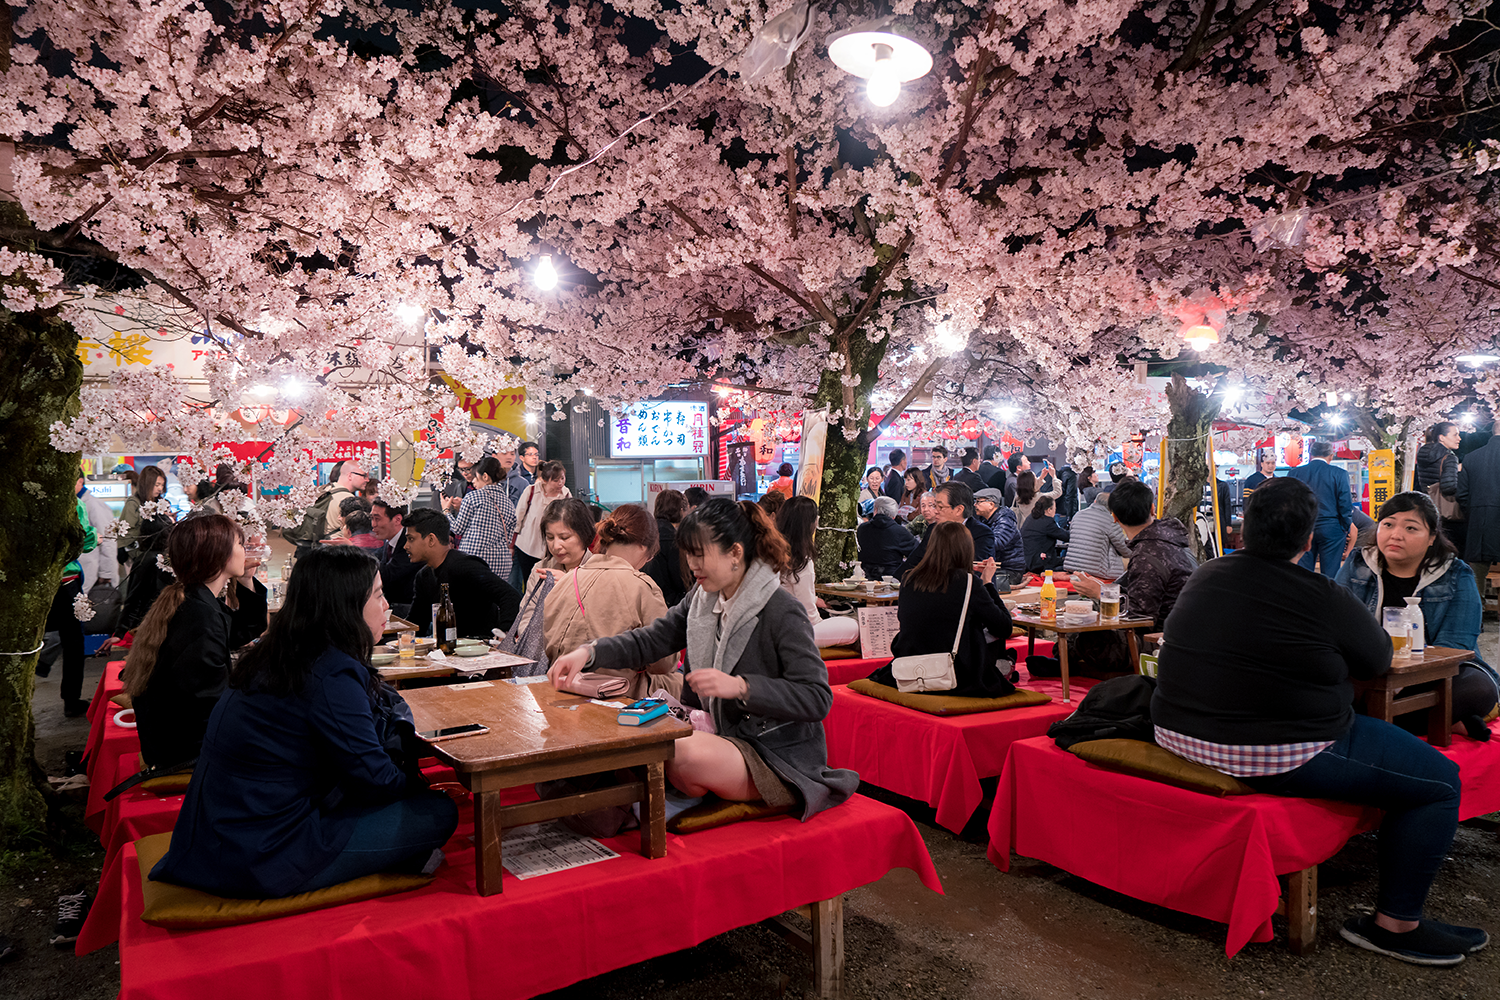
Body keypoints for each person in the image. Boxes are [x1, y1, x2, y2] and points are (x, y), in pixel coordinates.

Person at [1152, 477, 1485, 966]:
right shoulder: (1322, 592)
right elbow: (1375, 661)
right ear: (1311, 540)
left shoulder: (1208, 573)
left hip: (1175, 733)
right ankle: (1396, 925)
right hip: (1280, 750)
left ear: (1243, 530)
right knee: (1439, 779)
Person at [150, 546, 458, 898]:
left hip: (217, 834)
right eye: (377, 595)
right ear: (344, 606)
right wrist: (415, 783)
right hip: (263, 853)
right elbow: (376, 781)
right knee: (439, 811)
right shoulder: (331, 672)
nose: (387, 606)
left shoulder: (280, 650)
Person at [548, 499, 857, 818]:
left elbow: (817, 698)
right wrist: (589, 653)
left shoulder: (781, 610)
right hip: (715, 733)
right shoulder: (702, 599)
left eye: (700, 554)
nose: (692, 564)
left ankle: (670, 802)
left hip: (773, 754)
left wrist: (742, 687)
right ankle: (669, 799)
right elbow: (653, 639)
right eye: (689, 553)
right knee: (635, 733)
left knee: (680, 751)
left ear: (735, 553)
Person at [1336, 491, 1499, 735]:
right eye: (1388, 524)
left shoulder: (1456, 574)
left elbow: (1456, 646)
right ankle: (1439, 720)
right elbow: (1336, 626)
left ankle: (1373, 722)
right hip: (1367, 669)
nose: (1396, 535)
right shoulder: (1358, 564)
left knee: (1479, 689)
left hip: (1436, 675)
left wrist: (1401, 679)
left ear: (1432, 537)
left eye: (1411, 528)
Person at [121, 514, 268, 767]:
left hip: (176, 740)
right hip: (187, 750)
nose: (246, 550)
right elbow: (207, 703)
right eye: (240, 544)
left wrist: (245, 580)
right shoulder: (199, 615)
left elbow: (241, 632)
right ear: (218, 554)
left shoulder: (194, 599)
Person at [543, 505, 681, 699]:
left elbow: (549, 644)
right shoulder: (641, 586)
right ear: (644, 547)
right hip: (622, 694)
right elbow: (664, 663)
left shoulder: (564, 581)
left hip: (565, 687)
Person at [868, 521, 1017, 697]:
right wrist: (988, 583)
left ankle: (1003, 664)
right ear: (966, 549)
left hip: (910, 663)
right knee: (990, 632)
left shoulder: (909, 578)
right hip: (955, 669)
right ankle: (1002, 665)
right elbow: (1004, 627)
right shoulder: (968, 582)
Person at [1072, 480, 1196, 628]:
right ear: (1152, 509)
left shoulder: (1147, 555)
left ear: (1114, 518)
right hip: (1189, 630)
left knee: (1078, 639)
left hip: (1163, 638)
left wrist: (1101, 594)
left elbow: (1139, 617)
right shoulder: (1171, 540)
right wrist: (1103, 589)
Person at [404, 508, 521, 639]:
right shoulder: (423, 576)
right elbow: (416, 623)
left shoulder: (464, 566)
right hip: (446, 651)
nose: (406, 546)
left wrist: (503, 634)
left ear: (431, 539)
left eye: (411, 539)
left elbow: (510, 596)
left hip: (480, 650)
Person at [41, 489, 100, 716]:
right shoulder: (73, 503)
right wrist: (94, 534)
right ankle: (71, 700)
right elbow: (84, 542)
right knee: (73, 642)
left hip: (35, 582)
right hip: (66, 582)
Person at [776, 496, 861, 647]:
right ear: (810, 523)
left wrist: (817, 601)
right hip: (796, 631)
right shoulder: (802, 561)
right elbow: (807, 611)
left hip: (773, 626)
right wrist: (823, 625)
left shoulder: (771, 553)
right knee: (855, 627)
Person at [118, 465, 176, 635]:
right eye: (156, 484)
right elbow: (126, 534)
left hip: (159, 557)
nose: (160, 489)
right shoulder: (133, 503)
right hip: (141, 557)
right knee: (138, 598)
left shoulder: (161, 503)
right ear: (147, 483)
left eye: (161, 485)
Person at [898, 482, 995, 578]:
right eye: (934, 506)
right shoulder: (933, 528)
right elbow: (915, 560)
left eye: (940, 507)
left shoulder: (981, 533)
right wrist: (892, 581)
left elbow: (974, 571)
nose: (935, 511)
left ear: (959, 510)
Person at [1288, 440, 1354, 577]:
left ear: (1310, 454)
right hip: (1332, 527)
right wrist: (1344, 526)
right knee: (1331, 573)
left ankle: (1304, 598)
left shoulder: (1294, 473)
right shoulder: (1340, 473)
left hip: (1303, 528)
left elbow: (1289, 502)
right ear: (1331, 455)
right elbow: (1345, 503)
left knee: (1303, 573)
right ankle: (1329, 598)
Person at [446, 455, 516, 580]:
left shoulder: (473, 497)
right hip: (502, 564)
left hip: (474, 560)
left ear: (485, 477)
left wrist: (446, 511)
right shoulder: (508, 503)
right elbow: (509, 538)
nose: (473, 481)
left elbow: (457, 529)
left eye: (476, 478)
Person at [511, 460, 570, 590]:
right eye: (555, 480)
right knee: (529, 583)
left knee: (551, 585)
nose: (560, 482)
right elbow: (518, 518)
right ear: (545, 480)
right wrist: (511, 544)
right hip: (527, 546)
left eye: (562, 478)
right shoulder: (531, 491)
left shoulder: (565, 494)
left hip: (553, 549)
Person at [1458, 432, 1500, 587]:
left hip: (1479, 526)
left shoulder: (1471, 457)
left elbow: (1462, 495)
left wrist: (1475, 513)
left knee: (1476, 582)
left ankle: (1477, 610)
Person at [1417, 422, 1465, 555]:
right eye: (1455, 434)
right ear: (1441, 437)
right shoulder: (1449, 458)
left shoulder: (1423, 453)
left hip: (1428, 506)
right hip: (1448, 514)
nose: (1459, 438)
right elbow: (1449, 487)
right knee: (1454, 549)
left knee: (1434, 549)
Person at [1063, 487, 1130, 579]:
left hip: (1072, 566)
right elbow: (1124, 548)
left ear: (1094, 501)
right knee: (1130, 561)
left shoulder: (1078, 515)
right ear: (1112, 507)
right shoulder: (1110, 520)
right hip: (1097, 570)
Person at [370, 499, 419, 620]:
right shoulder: (389, 540)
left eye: (377, 518)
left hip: (408, 609)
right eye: (371, 518)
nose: (373, 524)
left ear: (397, 519)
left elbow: (387, 574)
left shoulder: (410, 542)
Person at [643, 488, 689, 608]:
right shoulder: (673, 539)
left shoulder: (647, 530)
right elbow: (679, 578)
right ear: (681, 510)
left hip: (647, 596)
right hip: (669, 601)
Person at [973, 488, 1026, 586]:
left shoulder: (1005, 519)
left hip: (1009, 571)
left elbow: (998, 542)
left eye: (978, 502)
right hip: (994, 568)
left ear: (991, 504)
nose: (975, 505)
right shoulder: (984, 520)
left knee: (976, 584)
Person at [857, 496, 918, 581]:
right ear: (894, 515)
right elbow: (917, 554)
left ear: (875, 510)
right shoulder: (899, 531)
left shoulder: (862, 529)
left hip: (864, 578)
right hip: (891, 579)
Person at [76, 472, 118, 594]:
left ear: (80, 481)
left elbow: (108, 539)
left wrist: (106, 573)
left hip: (94, 572)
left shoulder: (94, 505)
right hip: (82, 569)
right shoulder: (75, 503)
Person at [1021, 496, 1070, 573]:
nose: (1055, 511)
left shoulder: (1031, 518)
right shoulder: (1047, 522)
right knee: (1071, 564)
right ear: (1049, 510)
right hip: (1039, 563)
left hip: (1027, 560)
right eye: (1054, 508)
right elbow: (1066, 536)